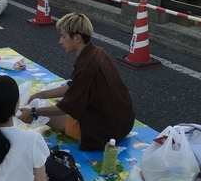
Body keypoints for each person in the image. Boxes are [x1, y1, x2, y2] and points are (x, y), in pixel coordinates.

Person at [19, 12, 135, 151]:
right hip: (125, 122)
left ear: (77, 38)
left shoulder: (87, 68)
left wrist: (33, 112)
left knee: (46, 117)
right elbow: (73, 86)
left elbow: (64, 107)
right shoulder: (98, 52)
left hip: (106, 132)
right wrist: (41, 94)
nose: (60, 41)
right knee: (45, 105)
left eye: (63, 36)